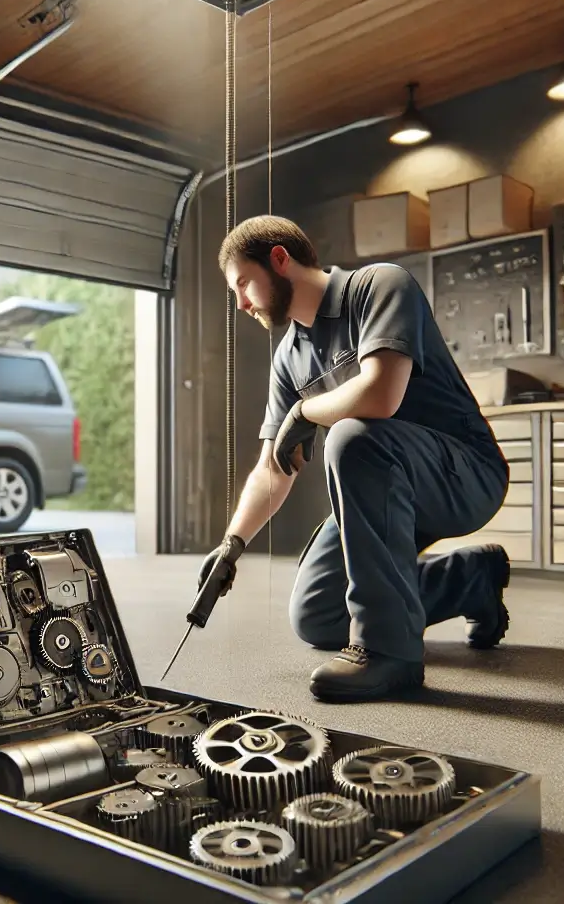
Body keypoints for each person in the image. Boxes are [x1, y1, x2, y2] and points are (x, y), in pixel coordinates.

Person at [201, 215, 511, 703]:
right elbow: (274, 466)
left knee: (350, 436)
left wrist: (306, 411)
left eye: (243, 283)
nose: (241, 303)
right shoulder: (289, 358)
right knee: (318, 615)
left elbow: (380, 394)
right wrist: (231, 544)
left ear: (279, 259)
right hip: (383, 491)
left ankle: (390, 652)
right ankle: (468, 580)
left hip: (464, 475)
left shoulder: (378, 286)